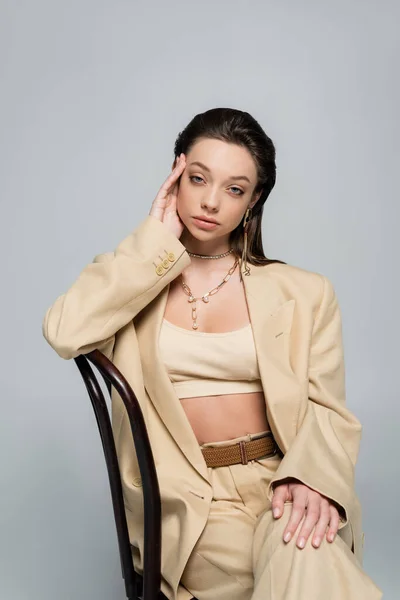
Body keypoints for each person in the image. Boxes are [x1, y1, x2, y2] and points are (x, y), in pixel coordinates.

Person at [42, 107, 382, 600]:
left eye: (235, 188)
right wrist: (153, 244)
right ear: (175, 176)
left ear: (254, 200)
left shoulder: (304, 292)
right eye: (198, 179)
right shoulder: (136, 276)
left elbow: (328, 412)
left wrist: (311, 480)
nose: (210, 201)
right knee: (310, 567)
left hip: (282, 480)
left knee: (305, 548)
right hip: (188, 499)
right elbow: (64, 330)